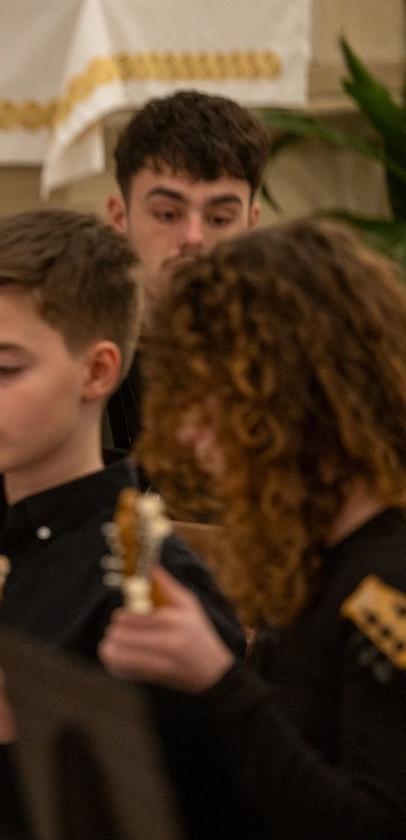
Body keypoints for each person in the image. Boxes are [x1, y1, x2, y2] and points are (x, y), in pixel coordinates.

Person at [0, 208, 245, 839]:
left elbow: (211, 804)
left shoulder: (156, 584)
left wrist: (32, 726)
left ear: (98, 372)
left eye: (5, 367)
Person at [98, 218, 406, 839]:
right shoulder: (307, 556)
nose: (189, 430)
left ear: (293, 394)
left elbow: (374, 824)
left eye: (213, 395)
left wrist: (218, 679)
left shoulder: (389, 581)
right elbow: (266, 781)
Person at [0, 89, 271, 483]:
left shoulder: (281, 357)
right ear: (120, 216)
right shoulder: (64, 341)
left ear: (251, 223)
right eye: (167, 214)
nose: (193, 237)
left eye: (219, 219)